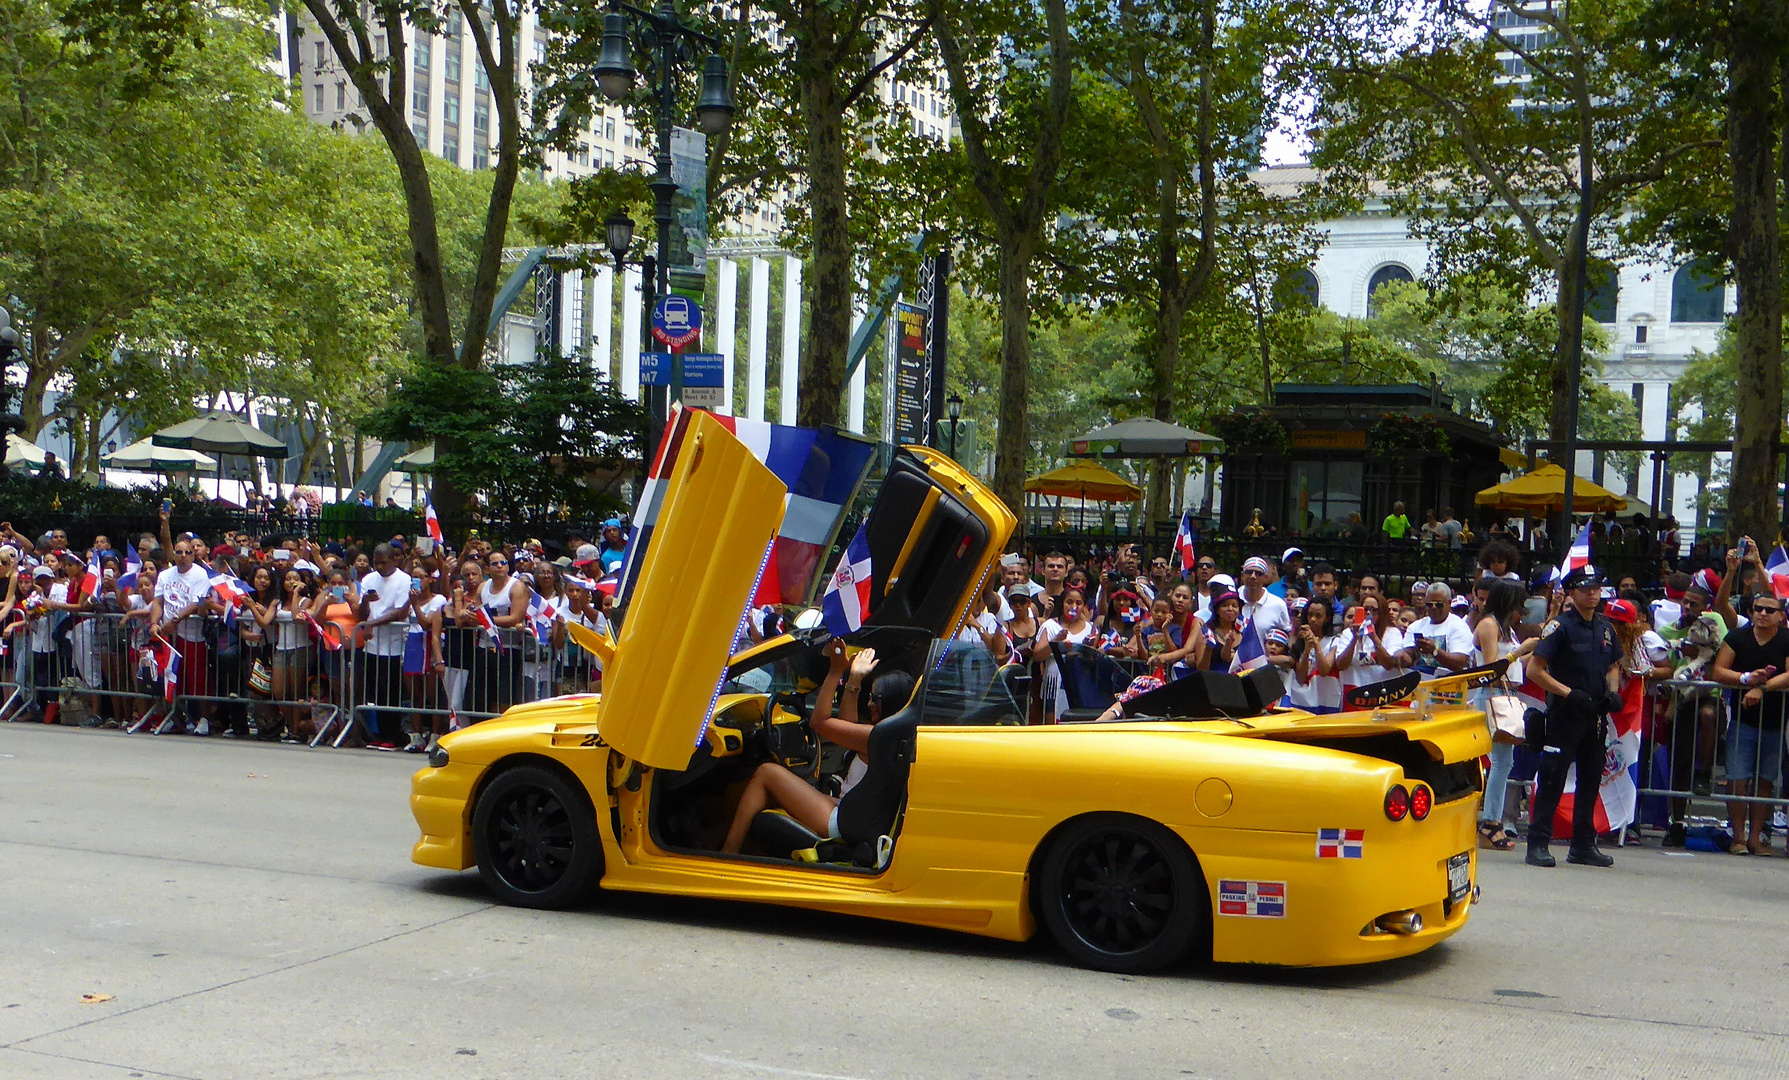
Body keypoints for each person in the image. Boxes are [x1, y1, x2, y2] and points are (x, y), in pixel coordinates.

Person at [720, 642, 914, 854]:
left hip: (841, 821)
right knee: (771, 793)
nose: (869, 704)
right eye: (870, 697)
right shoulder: (887, 738)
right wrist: (854, 680)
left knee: (766, 772)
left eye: (876, 699)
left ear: (892, 700)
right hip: (846, 810)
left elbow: (819, 723)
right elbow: (846, 726)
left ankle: (727, 853)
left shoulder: (876, 738)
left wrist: (835, 671)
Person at [1523, 565, 1624, 868]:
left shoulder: (1605, 628)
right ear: (1572, 592)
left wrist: (1612, 691)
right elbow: (1535, 670)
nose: (1592, 594)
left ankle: (1583, 844)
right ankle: (1538, 843)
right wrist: (1568, 693)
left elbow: (1613, 664)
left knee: (1591, 780)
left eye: (1596, 588)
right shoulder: (1561, 627)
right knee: (1553, 780)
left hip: (1594, 717)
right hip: (1564, 715)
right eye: (1585, 589)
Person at [1709, 591, 1789, 856]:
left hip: (1776, 722)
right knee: (1737, 779)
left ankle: (1755, 838)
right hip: (1742, 721)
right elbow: (1719, 671)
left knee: (1765, 782)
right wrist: (1745, 679)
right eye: (1758, 608)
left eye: (1769, 609)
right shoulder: (1738, 636)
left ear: (1781, 615)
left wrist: (1762, 688)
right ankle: (1738, 838)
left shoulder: (1787, 639)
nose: (1763, 614)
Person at [1473, 580, 1541, 851]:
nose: (1520, 612)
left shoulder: (1505, 629)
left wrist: (1529, 652)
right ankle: (1490, 822)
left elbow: (1510, 664)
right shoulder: (1489, 625)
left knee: (1504, 762)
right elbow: (1492, 668)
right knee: (1501, 762)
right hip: (1491, 695)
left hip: (1506, 694)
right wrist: (1521, 650)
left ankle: (1493, 820)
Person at [151, 537, 219, 734]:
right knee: (172, 677)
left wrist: (174, 620)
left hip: (192, 634)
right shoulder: (165, 575)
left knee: (197, 679)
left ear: (193, 554)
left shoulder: (200, 574)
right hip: (169, 635)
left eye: (187, 552)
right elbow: (158, 601)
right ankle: (176, 717)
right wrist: (155, 623)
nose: (183, 556)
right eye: (179, 552)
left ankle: (204, 719)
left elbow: (196, 603)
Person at [357, 543, 413, 749]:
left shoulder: (403, 580)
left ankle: (393, 735)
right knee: (375, 690)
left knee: (390, 691)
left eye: (383, 562)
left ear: (394, 560)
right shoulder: (368, 579)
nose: (379, 567)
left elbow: (399, 612)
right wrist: (365, 601)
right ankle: (379, 734)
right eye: (376, 563)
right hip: (372, 644)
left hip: (393, 644)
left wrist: (372, 624)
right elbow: (361, 614)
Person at [1031, 587, 1097, 722]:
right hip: (1055, 683)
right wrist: (1055, 641)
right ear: (1062, 604)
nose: (1074, 607)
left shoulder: (1090, 628)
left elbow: (1094, 658)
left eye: (1078, 603)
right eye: (1069, 602)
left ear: (1084, 606)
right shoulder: (1050, 626)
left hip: (1080, 684)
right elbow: (1037, 656)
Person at [1398, 583, 1475, 681]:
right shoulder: (1416, 626)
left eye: (1439, 605)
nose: (1433, 608)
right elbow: (1409, 657)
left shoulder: (1458, 626)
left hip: (1449, 684)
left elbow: (1460, 663)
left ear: (1449, 603)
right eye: (1429, 604)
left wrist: (1434, 651)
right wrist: (1401, 656)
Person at [1288, 600, 1344, 714]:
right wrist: (1307, 649)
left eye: (1318, 616)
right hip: (1302, 703)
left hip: (1326, 702)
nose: (1313, 619)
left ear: (1327, 618)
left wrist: (1316, 644)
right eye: (1310, 615)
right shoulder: (1299, 642)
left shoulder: (1335, 641)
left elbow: (1324, 670)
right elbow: (1300, 678)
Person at [1237, 557, 1292, 643]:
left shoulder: (1278, 604)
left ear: (1265, 578)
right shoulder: (1233, 600)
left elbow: (1288, 634)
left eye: (1259, 573)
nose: (1253, 576)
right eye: (1249, 572)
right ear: (1242, 576)